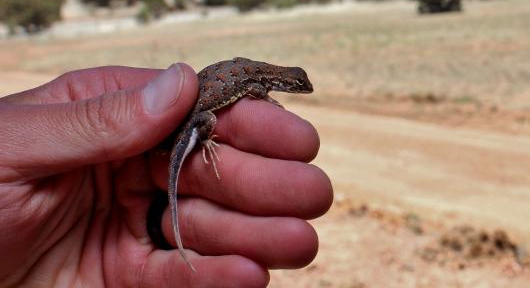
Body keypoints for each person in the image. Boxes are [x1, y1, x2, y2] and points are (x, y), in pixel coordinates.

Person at [0, 63, 332, 287]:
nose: (299, 89)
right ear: (284, 82)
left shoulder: (256, 74)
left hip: (185, 112)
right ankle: (199, 142)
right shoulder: (258, 83)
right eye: (297, 87)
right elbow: (257, 92)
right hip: (193, 115)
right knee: (209, 124)